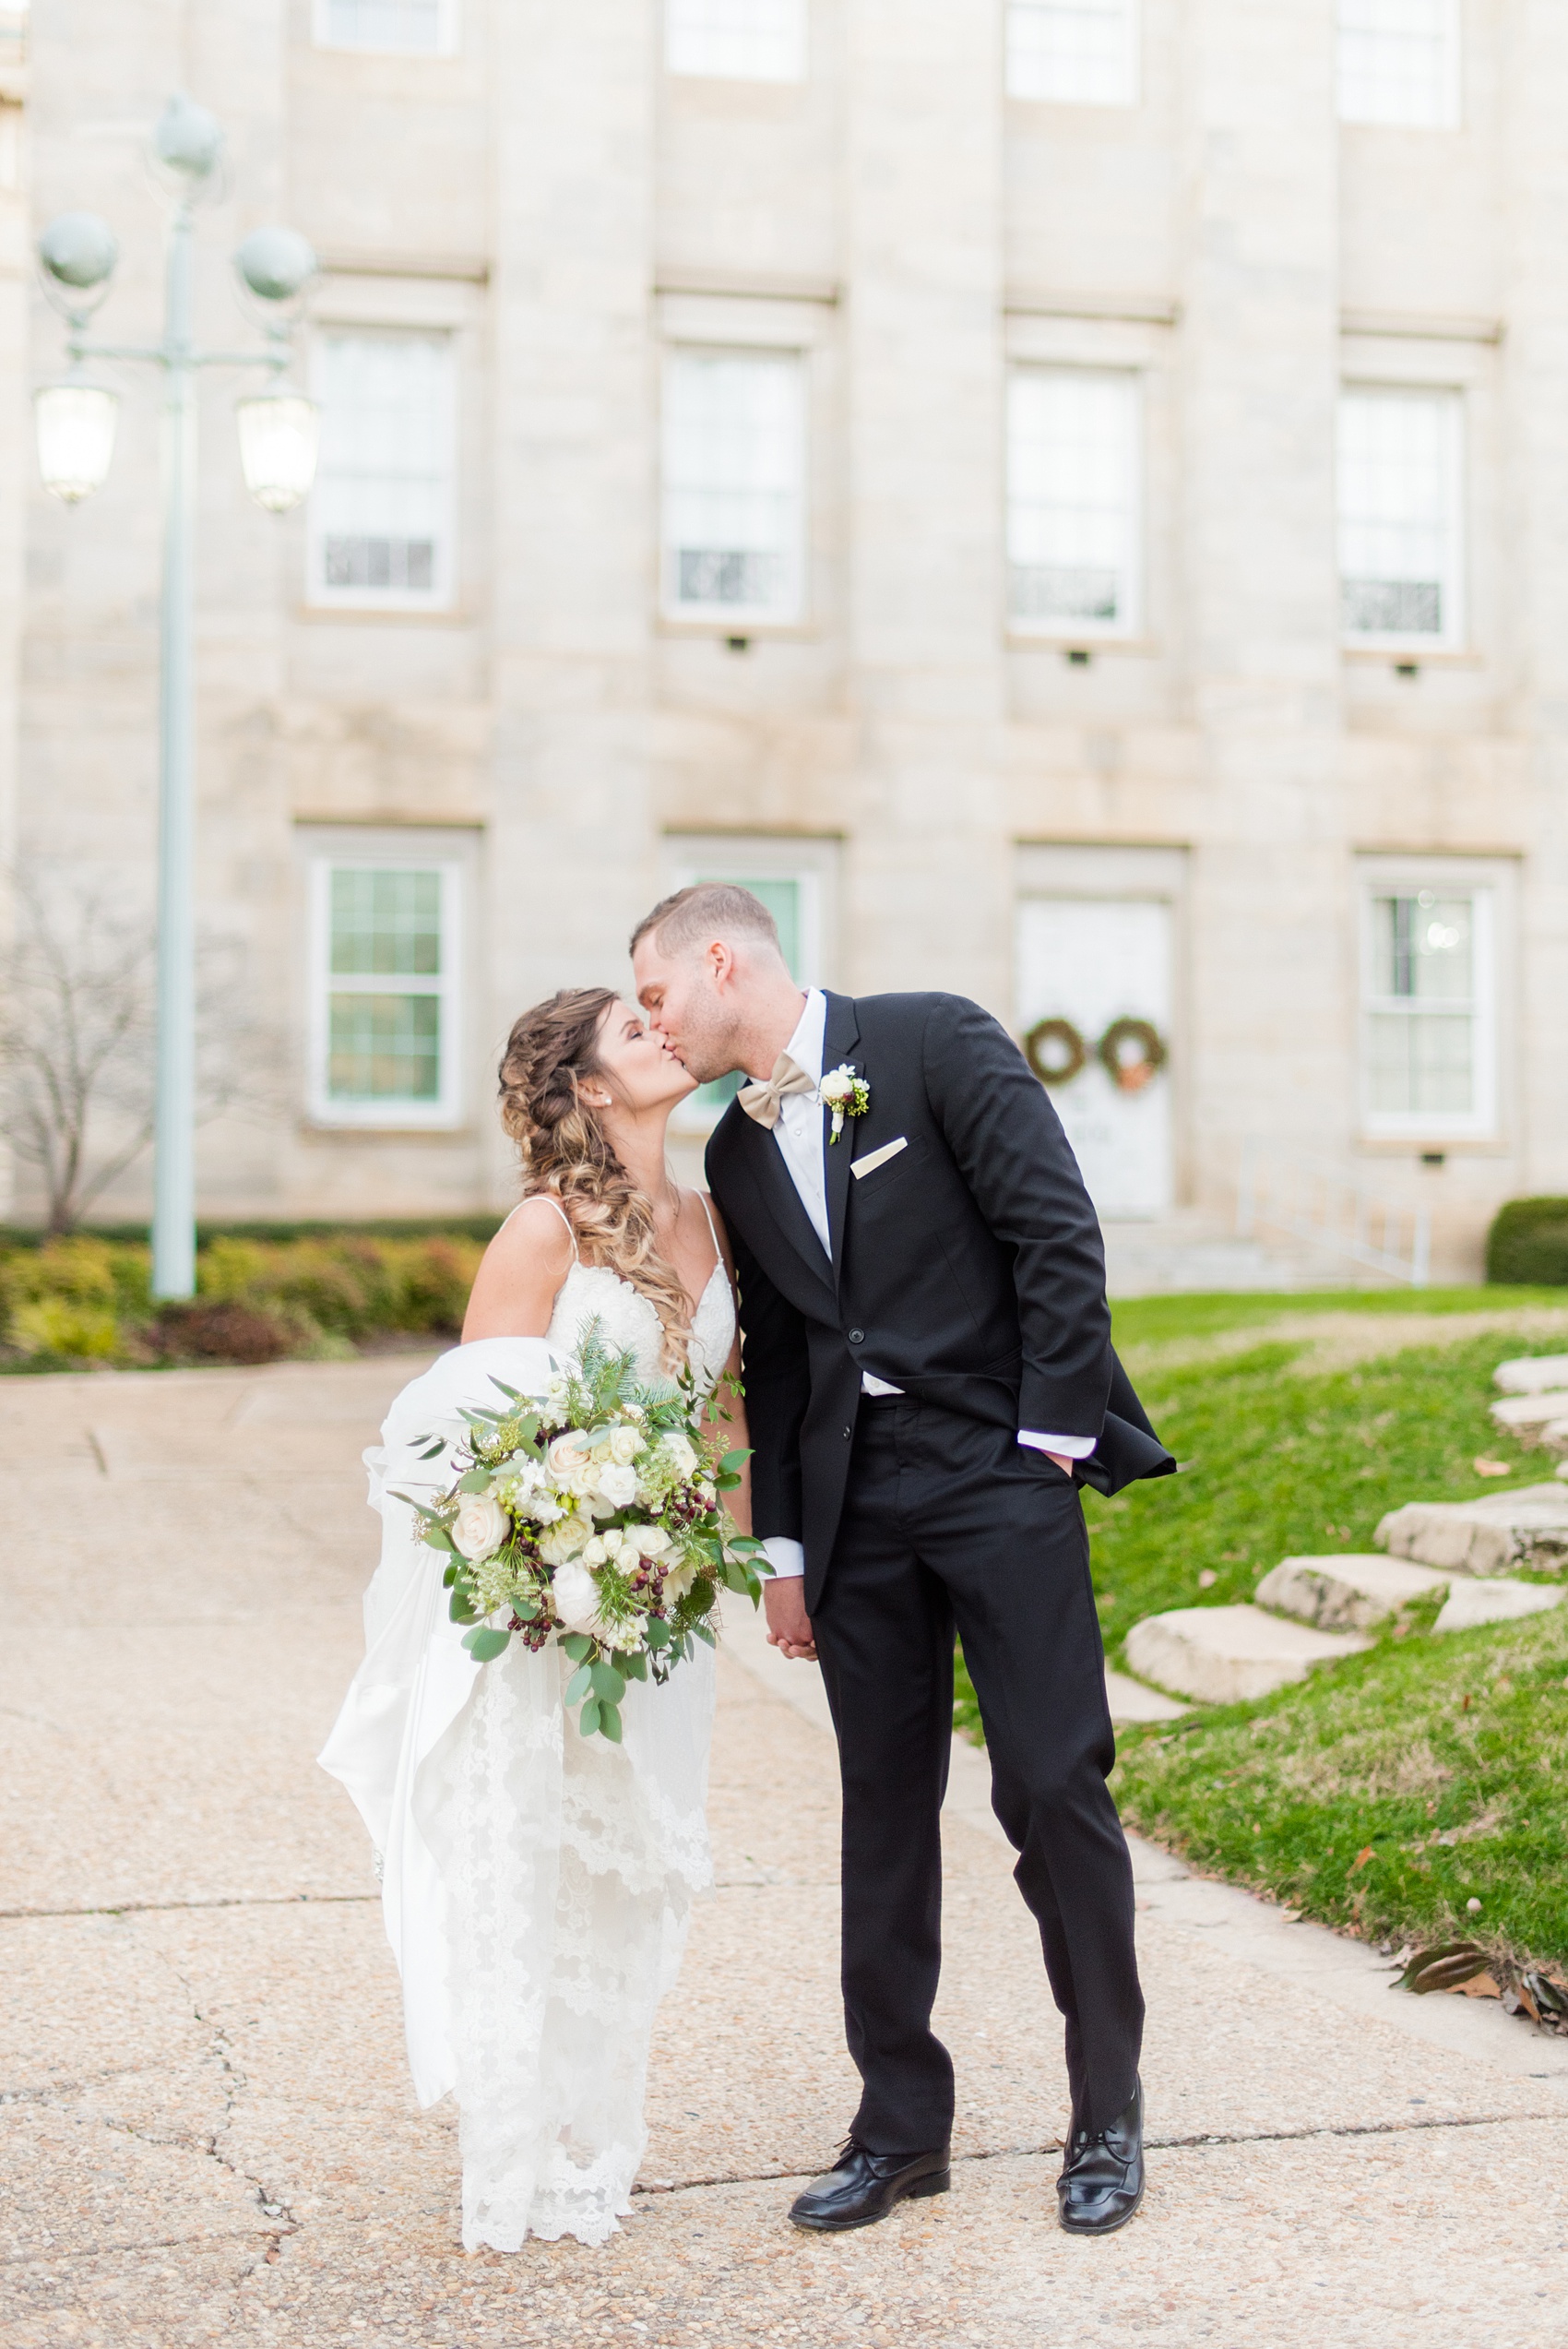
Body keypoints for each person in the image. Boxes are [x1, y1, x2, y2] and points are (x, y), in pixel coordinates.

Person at [631, 884, 1175, 2237]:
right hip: (857, 1513)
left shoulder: (935, 1042)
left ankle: (1105, 2109)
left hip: (1001, 1471)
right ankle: (899, 2126)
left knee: (1052, 1785)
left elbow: (1056, 1232)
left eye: (654, 994)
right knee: (882, 1807)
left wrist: (1047, 1441)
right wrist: (788, 1551)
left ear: (718, 958)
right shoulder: (737, 1158)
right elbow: (785, 1360)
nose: (652, 1022)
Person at [319, 988, 744, 2251]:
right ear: (591, 1087)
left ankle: (595, 2132)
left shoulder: (718, 1223)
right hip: (537, 1611)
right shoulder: (545, 1230)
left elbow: (721, 1421)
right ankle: (512, 2153)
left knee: (629, 1863)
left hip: (658, 1604)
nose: (664, 1033)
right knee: (529, 1855)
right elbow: (463, 1436)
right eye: (631, 1030)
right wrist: (564, 1540)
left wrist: (702, 1542)